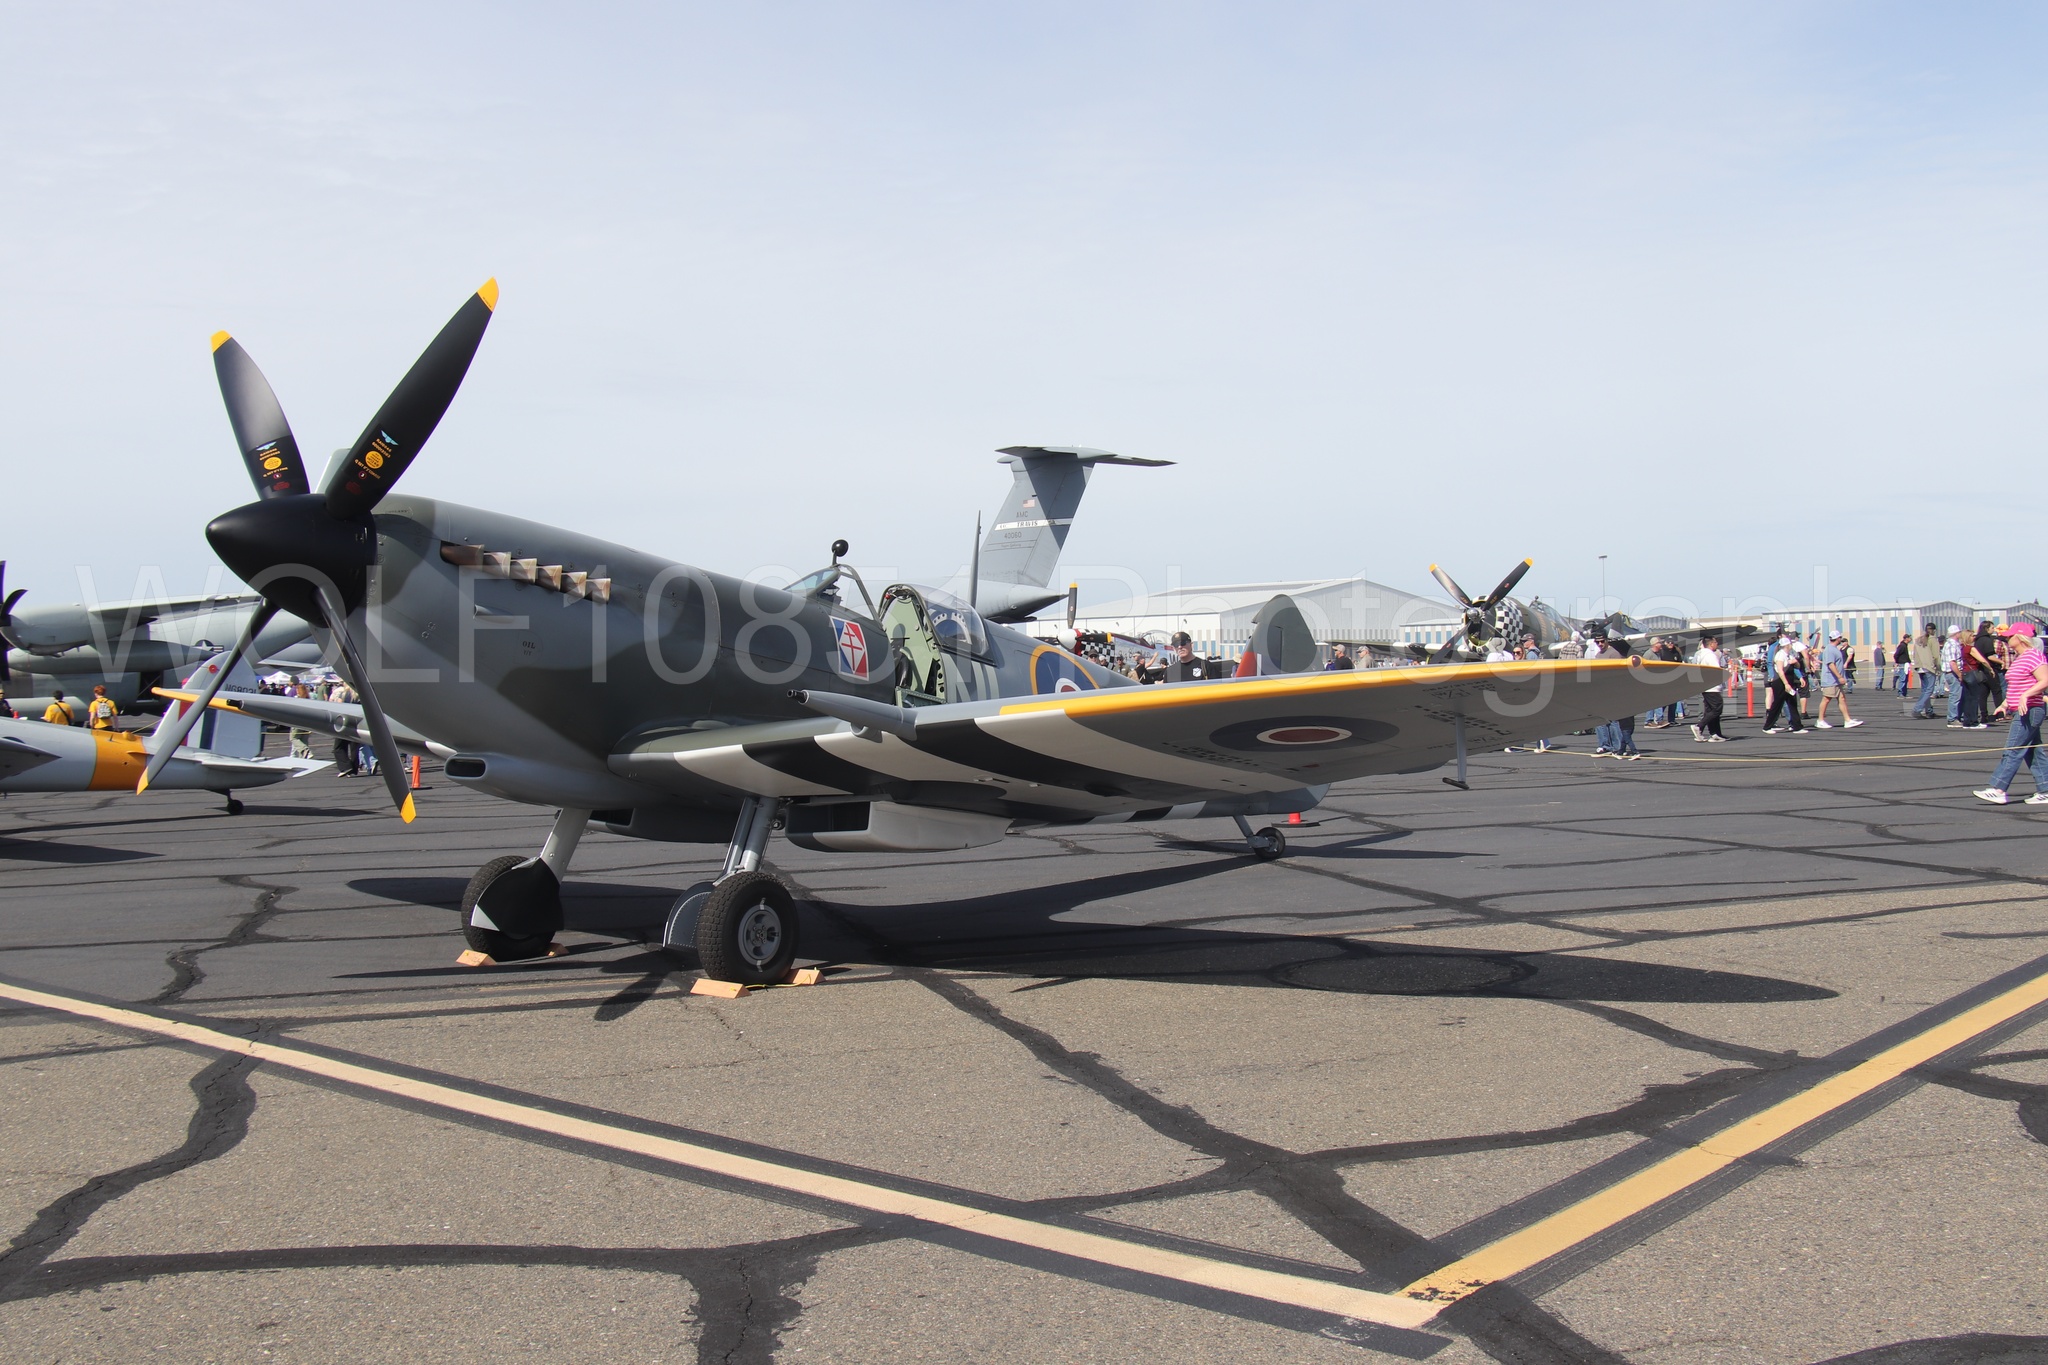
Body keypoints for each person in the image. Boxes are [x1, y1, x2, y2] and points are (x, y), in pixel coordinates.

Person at [1975, 621, 2048, 805]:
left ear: (2020, 637)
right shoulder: (2020, 657)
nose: (2006, 638)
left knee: (2013, 749)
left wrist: (2026, 695)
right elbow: (2017, 686)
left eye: (2010, 635)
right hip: (2022, 708)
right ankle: (2046, 789)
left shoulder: (2034, 656)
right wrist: (2005, 704)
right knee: (2033, 751)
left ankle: (1998, 789)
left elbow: (2045, 680)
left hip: (2031, 709)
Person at [1813, 633, 1864, 729]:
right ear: (1837, 638)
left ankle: (1847, 720)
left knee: (1842, 699)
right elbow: (1831, 664)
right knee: (1826, 699)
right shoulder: (1830, 649)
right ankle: (1820, 720)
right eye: (1840, 637)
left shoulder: (1835, 649)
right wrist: (1840, 677)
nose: (1841, 639)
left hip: (1835, 680)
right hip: (1830, 680)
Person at [1762, 630, 1808, 734]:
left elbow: (1797, 666)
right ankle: (1767, 726)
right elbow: (1780, 670)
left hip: (1789, 680)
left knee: (1792, 703)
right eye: (1789, 643)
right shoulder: (1780, 655)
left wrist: (1796, 665)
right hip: (1780, 682)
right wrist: (1786, 684)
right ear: (1786, 645)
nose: (1791, 645)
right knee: (1777, 704)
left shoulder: (1790, 654)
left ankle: (1797, 726)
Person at [1691, 634, 1729, 742]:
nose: (1717, 644)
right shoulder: (1710, 655)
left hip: (1704, 685)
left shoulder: (1698, 654)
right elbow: (1716, 670)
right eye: (1716, 642)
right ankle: (1699, 726)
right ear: (1711, 643)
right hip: (1712, 686)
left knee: (1710, 710)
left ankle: (1715, 733)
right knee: (1717, 708)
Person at [1910, 624, 1943, 717]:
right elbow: (1936, 656)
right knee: (1929, 690)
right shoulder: (1933, 640)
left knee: (1925, 690)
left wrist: (1916, 665)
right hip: (1929, 667)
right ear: (1933, 630)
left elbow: (1914, 654)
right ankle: (1917, 709)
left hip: (1920, 667)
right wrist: (1938, 667)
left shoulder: (1918, 640)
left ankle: (1929, 711)